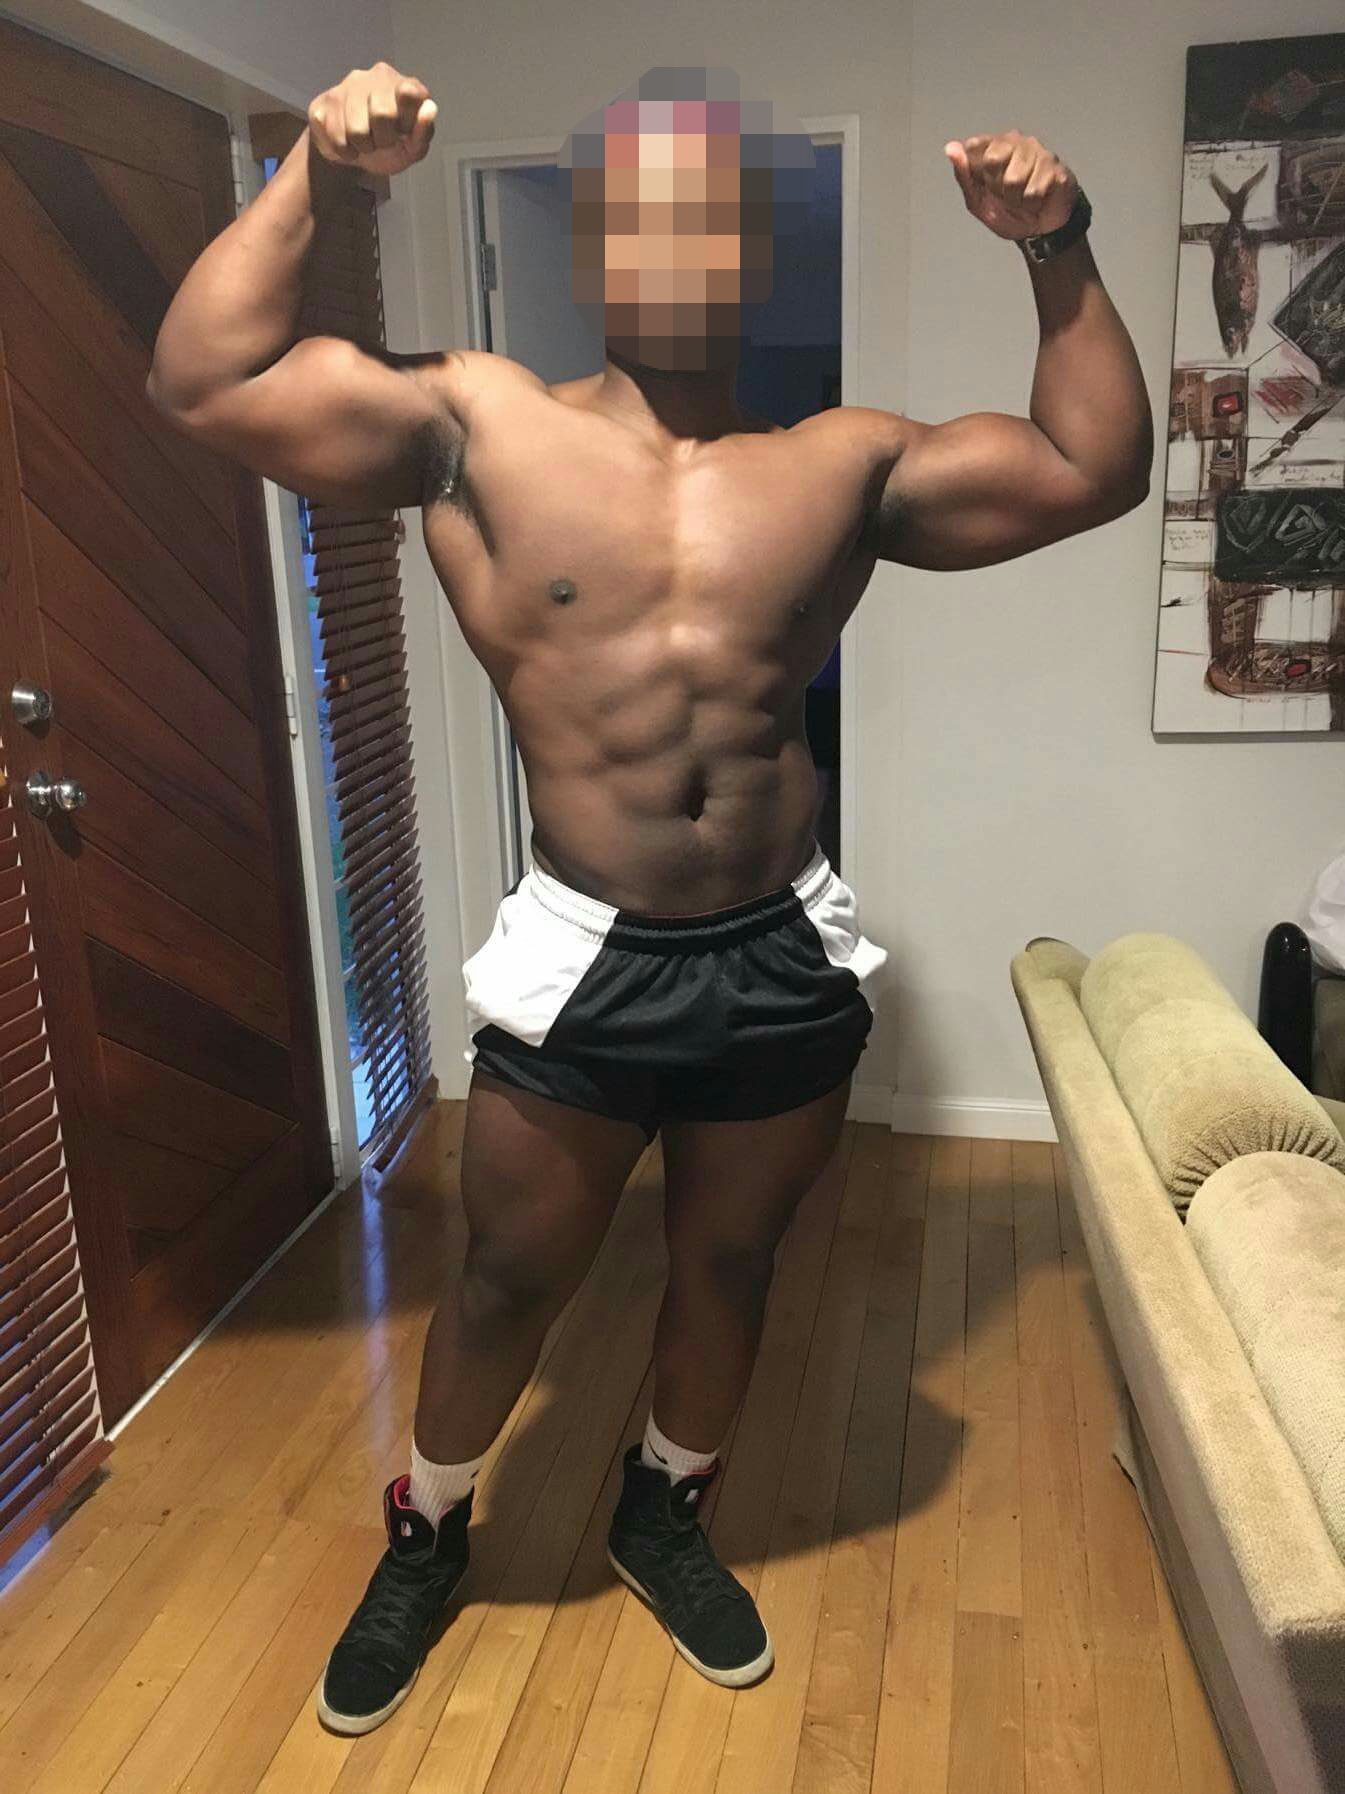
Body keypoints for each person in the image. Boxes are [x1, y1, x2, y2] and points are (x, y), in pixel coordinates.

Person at [146, 61, 1152, 1734]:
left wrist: (1058, 243)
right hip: (587, 945)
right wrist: (319, 174)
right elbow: (207, 378)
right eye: (644, 213)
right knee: (505, 1274)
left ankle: (660, 1508)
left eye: (716, 216)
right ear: (600, 244)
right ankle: (428, 1532)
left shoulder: (839, 458)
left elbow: (1088, 464)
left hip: (778, 937)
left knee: (730, 1260)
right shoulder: (471, 423)